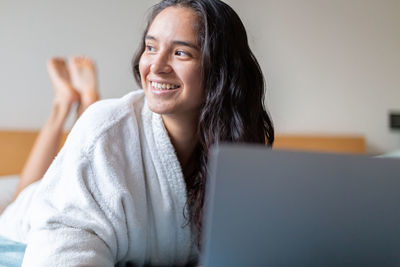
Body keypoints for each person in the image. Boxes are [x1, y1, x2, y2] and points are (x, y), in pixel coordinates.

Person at [0, 0, 274, 266]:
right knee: (22, 197)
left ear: (220, 71)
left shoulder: (235, 146)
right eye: (151, 47)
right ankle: (64, 104)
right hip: (18, 226)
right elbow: (62, 244)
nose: (156, 66)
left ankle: (78, 99)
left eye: (181, 53)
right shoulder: (104, 129)